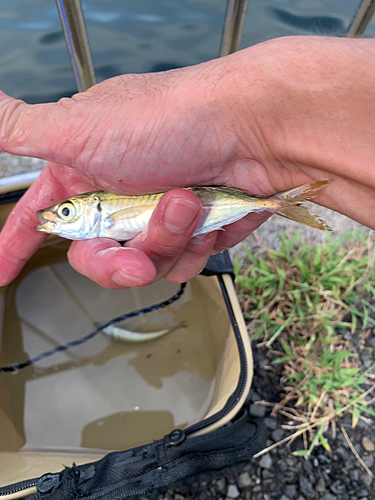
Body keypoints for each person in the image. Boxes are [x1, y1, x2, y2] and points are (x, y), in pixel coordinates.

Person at [0, 35, 374, 289]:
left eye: (66, 212)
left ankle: (282, 198)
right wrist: (256, 130)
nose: (54, 217)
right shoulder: (98, 209)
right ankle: (282, 199)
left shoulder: (104, 206)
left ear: (92, 209)